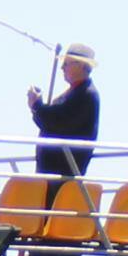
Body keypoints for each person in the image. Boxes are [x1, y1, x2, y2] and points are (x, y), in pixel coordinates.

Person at [26, 44, 100, 183]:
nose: (62, 68)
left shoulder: (85, 95)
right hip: (52, 172)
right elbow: (51, 119)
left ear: (81, 65)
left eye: (66, 63)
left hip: (62, 173)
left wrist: (37, 106)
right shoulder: (74, 94)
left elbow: (58, 122)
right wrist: (38, 106)